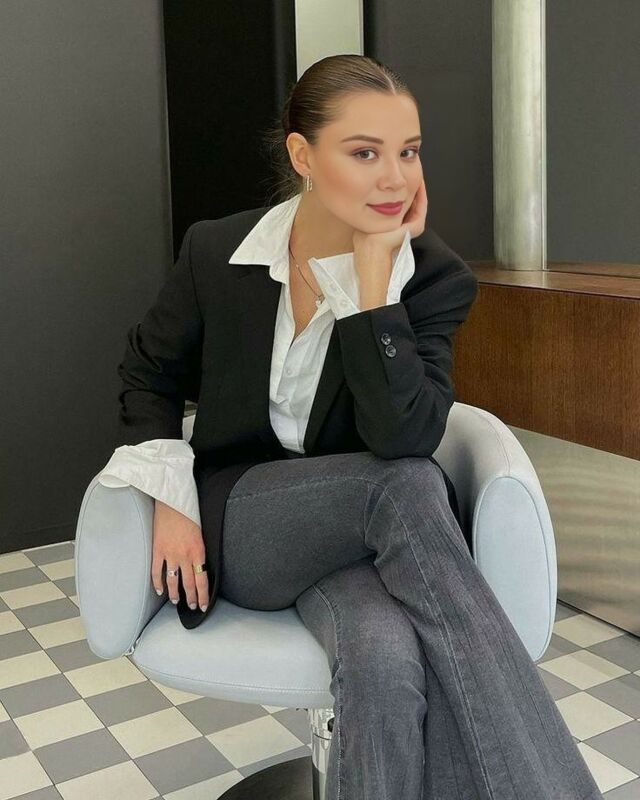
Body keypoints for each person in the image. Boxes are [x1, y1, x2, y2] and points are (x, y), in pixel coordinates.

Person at [99, 54, 604, 800]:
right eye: (365, 153)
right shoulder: (218, 251)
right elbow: (148, 370)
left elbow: (404, 434)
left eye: (409, 152)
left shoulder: (432, 278)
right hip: (251, 521)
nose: (394, 178)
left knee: (384, 659)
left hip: (371, 546)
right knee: (404, 487)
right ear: (303, 156)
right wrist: (171, 499)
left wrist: (373, 287)